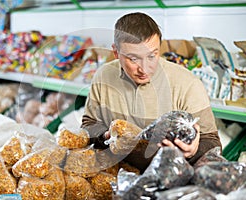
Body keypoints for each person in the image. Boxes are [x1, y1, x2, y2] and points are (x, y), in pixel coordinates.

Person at [81, 12, 221, 173]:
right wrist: (104, 136)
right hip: (117, 175)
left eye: (152, 56)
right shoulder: (103, 76)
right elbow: (88, 125)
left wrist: (194, 150)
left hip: (169, 181)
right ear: (116, 52)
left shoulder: (187, 83)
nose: (144, 68)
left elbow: (213, 144)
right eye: (133, 59)